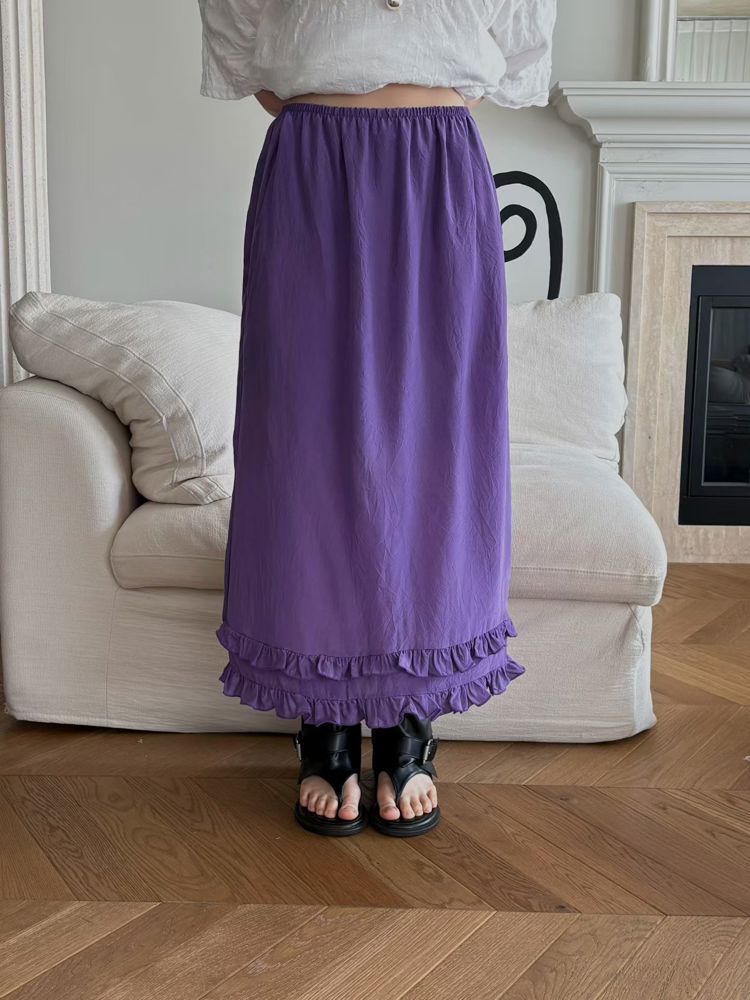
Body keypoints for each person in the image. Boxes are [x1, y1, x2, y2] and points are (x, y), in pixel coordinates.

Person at [197, 0, 557, 837]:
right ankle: (323, 718)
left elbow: (514, 46)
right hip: (312, 173)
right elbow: (246, 47)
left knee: (435, 448)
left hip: (437, 174)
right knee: (305, 447)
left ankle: (408, 715)